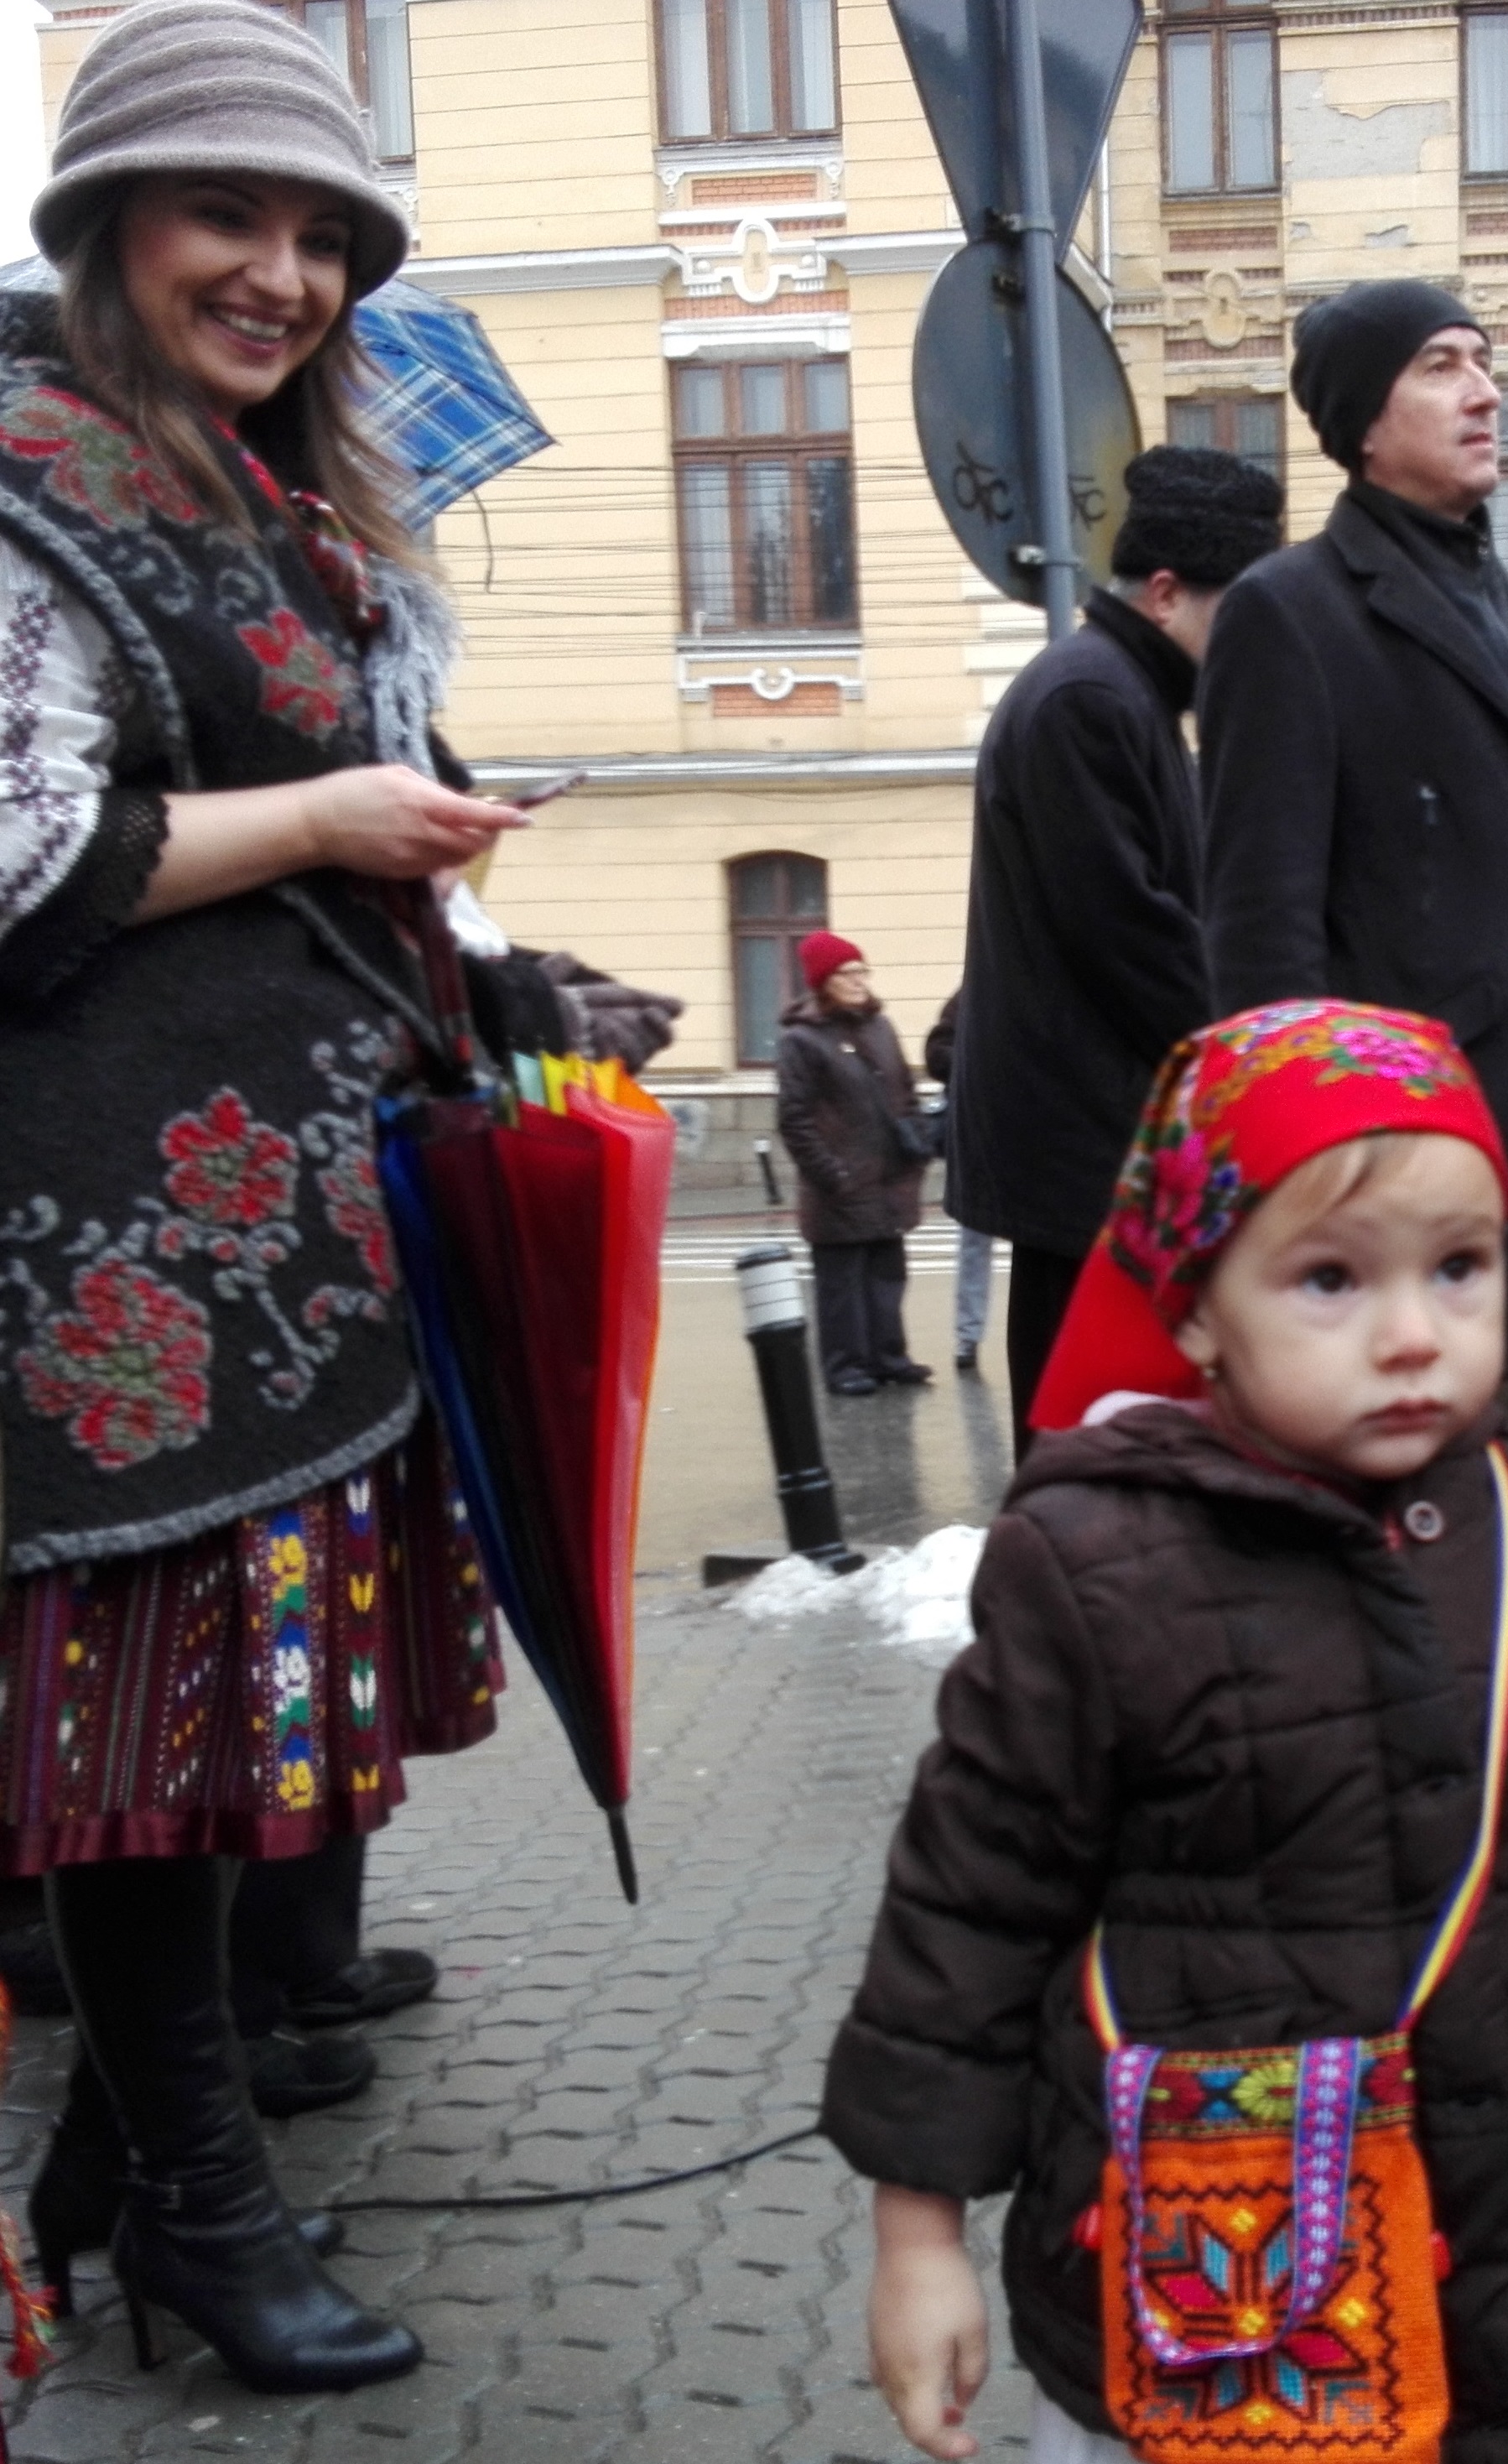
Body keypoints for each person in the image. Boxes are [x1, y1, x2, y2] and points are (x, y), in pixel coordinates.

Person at [0, 0, 540, 2393]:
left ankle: (107, 2184)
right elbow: (21, 856)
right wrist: (329, 821)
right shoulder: (28, 476)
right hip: (110, 1261)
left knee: (218, 1755)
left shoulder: (234, 478)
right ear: (107, 220)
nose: (285, 272)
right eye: (231, 212)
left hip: (258, 1242)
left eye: (324, 233)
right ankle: (197, 2216)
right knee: (146, 1771)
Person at [823, 997, 1508, 2464]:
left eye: (1460, 1267)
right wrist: (919, 2237)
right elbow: (967, 1912)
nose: (1416, 1334)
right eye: (1332, 1278)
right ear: (1197, 1307)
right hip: (1212, 2283)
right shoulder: (1095, 1566)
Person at [1200, 280, 1508, 1410]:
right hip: (1400, 1143)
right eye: (1442, 366)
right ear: (1364, 419)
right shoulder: (1289, 609)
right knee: (1420, 1480)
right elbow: (1262, 923)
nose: (1486, 393)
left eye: (1484, 362)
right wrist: (1317, 1160)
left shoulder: (1494, 591)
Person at [947, 447, 1282, 1456]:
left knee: (1108, 1434)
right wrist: (1253, 1061)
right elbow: (1133, 936)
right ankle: (1060, 1607)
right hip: (1083, 1151)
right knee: (1078, 1441)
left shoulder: (1120, 698)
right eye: (1239, 616)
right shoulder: (1088, 701)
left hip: (1105, 1140)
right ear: (1169, 594)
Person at [776, 932, 932, 1395]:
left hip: (887, 1179)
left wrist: (917, 1136)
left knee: (887, 1274)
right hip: (840, 1186)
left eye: (863, 971)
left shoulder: (879, 1027)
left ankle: (889, 1358)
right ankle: (846, 1365)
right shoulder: (801, 1041)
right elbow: (794, 1120)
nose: (860, 980)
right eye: (849, 973)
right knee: (841, 1284)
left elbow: (905, 1089)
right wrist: (832, 1176)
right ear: (824, 981)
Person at [925, 990, 989, 1374]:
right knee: (974, 1244)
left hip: (1036, 1139)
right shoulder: (969, 997)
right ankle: (968, 1337)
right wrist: (977, 1059)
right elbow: (937, 1053)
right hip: (980, 1139)